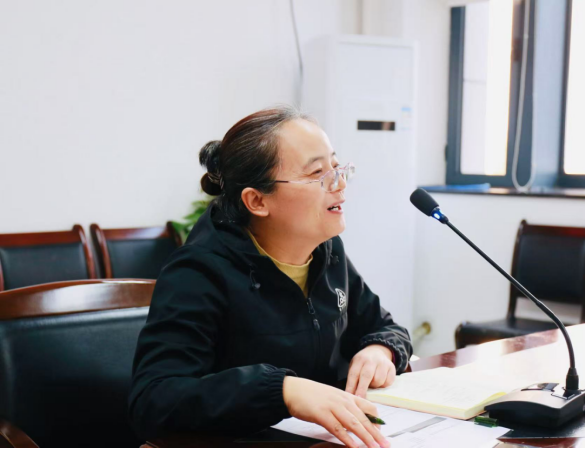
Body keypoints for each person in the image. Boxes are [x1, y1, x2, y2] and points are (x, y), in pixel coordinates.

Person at [128, 106, 412, 448]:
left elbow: (384, 326)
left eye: (337, 167)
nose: (339, 183)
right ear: (257, 201)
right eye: (317, 173)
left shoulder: (326, 251)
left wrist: (381, 349)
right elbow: (155, 399)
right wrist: (282, 390)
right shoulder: (198, 272)